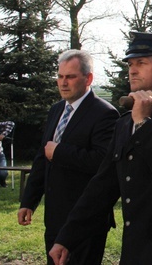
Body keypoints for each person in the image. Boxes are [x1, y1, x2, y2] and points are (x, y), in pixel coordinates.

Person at [49, 32, 152, 265]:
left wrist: (144, 123)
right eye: (131, 64)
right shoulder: (124, 122)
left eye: (142, 63)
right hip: (136, 248)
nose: (132, 70)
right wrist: (67, 237)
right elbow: (102, 185)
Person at [19, 49, 119, 265]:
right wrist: (29, 201)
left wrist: (60, 152)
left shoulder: (105, 114)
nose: (63, 83)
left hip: (86, 219)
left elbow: (103, 162)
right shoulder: (56, 110)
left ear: (88, 78)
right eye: (60, 76)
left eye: (70, 77)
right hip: (55, 217)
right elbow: (42, 156)